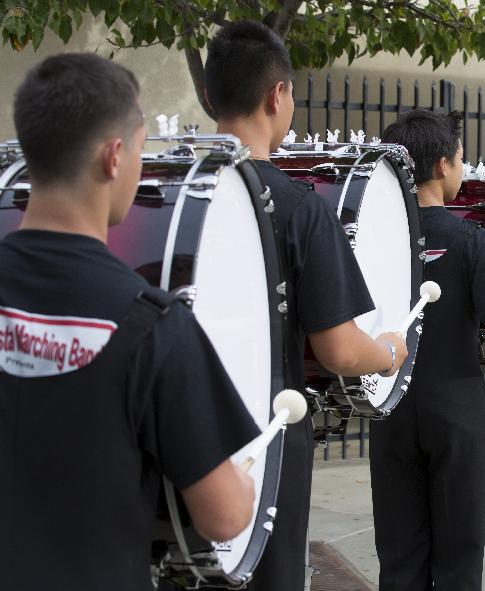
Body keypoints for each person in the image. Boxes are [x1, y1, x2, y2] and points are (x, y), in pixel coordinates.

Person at [0, 53, 259, 591]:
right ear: (114, 157)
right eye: (141, 150)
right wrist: (244, 482)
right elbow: (225, 517)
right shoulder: (153, 323)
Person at [203, 21, 409, 591]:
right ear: (278, 96)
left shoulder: (174, 194)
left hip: (179, 431)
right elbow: (339, 351)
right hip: (267, 437)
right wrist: (388, 353)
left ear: (209, 98)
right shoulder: (300, 207)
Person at [369, 109, 485, 589]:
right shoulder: (474, 242)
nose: (464, 169)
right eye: (461, 158)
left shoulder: (373, 240)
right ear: (442, 165)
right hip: (456, 412)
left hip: (390, 407)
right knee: (458, 560)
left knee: (399, 559)